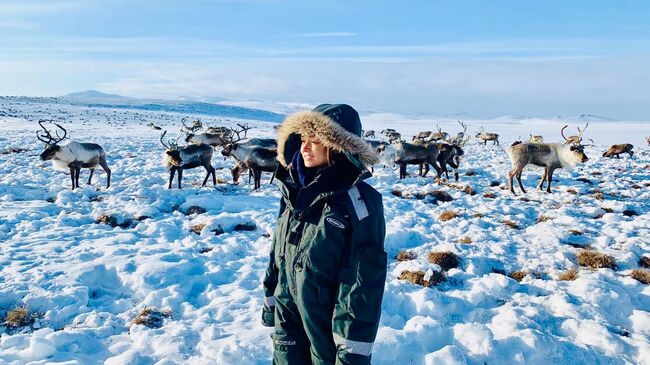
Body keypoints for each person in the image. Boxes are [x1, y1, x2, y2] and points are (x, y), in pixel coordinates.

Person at [262, 104, 387, 364]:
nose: (305, 148)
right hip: (288, 310)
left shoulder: (359, 201)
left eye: (315, 141)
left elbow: (362, 281)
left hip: (329, 319)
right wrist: (271, 299)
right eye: (303, 140)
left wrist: (352, 350)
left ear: (338, 146)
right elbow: (279, 249)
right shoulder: (293, 189)